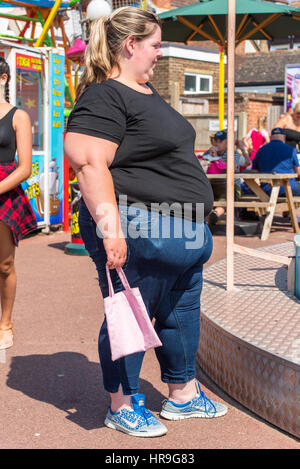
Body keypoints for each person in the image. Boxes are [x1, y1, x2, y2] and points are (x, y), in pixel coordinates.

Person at [64, 6, 227, 438]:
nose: (159, 54)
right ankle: (121, 402)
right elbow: (87, 161)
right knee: (131, 315)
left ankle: (183, 395)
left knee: (179, 312)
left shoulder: (146, 91)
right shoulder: (104, 94)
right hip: (141, 225)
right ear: (131, 45)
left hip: (180, 227)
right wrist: (111, 230)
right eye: (155, 46)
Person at [0, 57, 37, 349]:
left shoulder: (18, 116)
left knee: (4, 264)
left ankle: (6, 323)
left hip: (4, 190)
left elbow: (24, 167)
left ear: (3, 79)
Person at [204, 130, 250, 226]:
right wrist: (209, 157)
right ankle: (208, 217)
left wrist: (215, 158)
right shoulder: (207, 153)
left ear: (227, 143)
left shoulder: (232, 154)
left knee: (228, 196)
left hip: (230, 186)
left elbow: (230, 169)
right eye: (215, 140)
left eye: (220, 141)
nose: (217, 143)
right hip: (211, 185)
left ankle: (215, 214)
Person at [242, 127, 300, 196]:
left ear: (270, 137)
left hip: (267, 189)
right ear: (284, 137)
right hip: (289, 188)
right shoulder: (291, 150)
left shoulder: (261, 150)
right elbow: (298, 172)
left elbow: (254, 172)